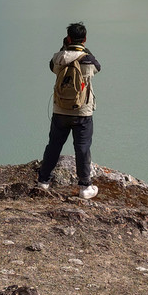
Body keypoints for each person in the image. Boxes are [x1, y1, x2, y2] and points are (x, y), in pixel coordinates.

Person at [36, 21, 101, 199]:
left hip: (60, 110)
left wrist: (64, 46)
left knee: (54, 146)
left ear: (68, 38)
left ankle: (43, 181)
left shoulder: (58, 58)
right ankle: (84, 186)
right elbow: (98, 67)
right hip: (82, 112)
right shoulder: (87, 60)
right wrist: (84, 49)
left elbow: (51, 67)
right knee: (82, 148)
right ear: (85, 39)